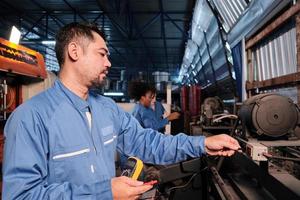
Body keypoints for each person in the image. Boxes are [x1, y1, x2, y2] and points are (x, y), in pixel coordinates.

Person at [2, 22, 240, 200]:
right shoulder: (30, 118)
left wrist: (201, 144)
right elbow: (21, 195)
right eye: (102, 54)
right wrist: (104, 192)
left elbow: (149, 142)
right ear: (74, 52)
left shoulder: (107, 109)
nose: (108, 63)